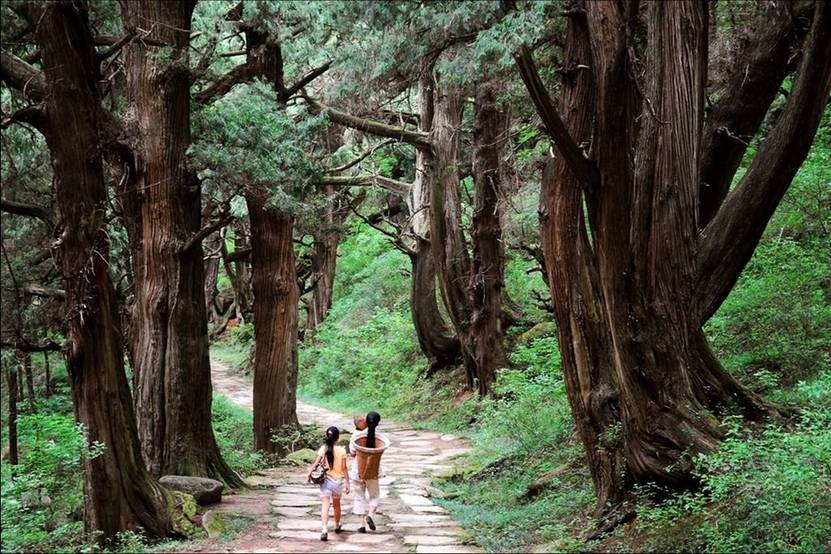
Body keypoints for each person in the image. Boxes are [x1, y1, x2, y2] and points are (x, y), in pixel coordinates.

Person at [307, 426, 349, 541]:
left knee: (325, 505)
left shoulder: (323, 448)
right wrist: (348, 483)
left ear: (327, 436)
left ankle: (324, 530)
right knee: (336, 505)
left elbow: (316, 463)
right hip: (338, 482)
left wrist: (308, 475)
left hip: (326, 481)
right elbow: (344, 468)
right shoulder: (342, 451)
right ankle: (337, 525)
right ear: (338, 438)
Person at [349, 411, 382, 533]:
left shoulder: (356, 436)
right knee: (374, 495)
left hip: (358, 470)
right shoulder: (379, 438)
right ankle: (371, 515)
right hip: (373, 471)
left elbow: (352, 452)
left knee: (359, 497)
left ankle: (361, 524)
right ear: (377, 424)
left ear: (366, 422)